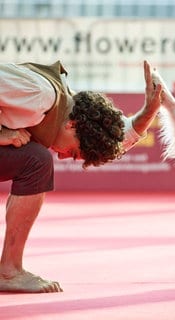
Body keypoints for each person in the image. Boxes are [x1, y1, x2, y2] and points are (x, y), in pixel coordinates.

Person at [0, 60, 162, 293]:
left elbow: (114, 136)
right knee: (37, 161)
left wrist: (148, 113)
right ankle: (9, 271)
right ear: (72, 125)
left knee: (34, 159)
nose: (64, 158)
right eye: (74, 153)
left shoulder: (67, 107)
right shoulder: (39, 94)